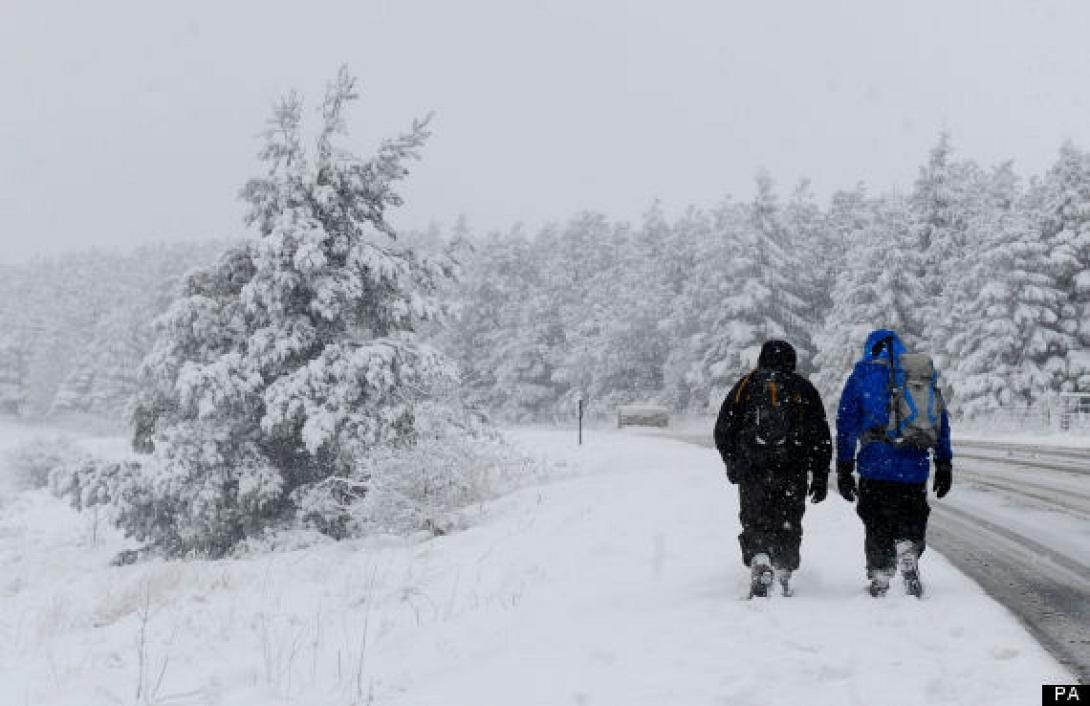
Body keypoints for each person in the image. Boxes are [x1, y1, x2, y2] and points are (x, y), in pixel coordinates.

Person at [834, 328, 953, 597]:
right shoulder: (918, 375)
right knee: (911, 516)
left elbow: (846, 424)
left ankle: (880, 575)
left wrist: (844, 466)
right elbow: (940, 421)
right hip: (914, 466)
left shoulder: (862, 376)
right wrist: (944, 462)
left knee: (877, 522)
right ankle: (908, 548)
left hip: (875, 467)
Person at [714, 340, 832, 598]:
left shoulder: (746, 385)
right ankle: (783, 570)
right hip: (793, 469)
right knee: (788, 520)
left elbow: (723, 429)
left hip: (753, 469)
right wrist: (820, 475)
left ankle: (759, 559)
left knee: (755, 519)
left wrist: (733, 462)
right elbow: (820, 435)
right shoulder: (802, 387)